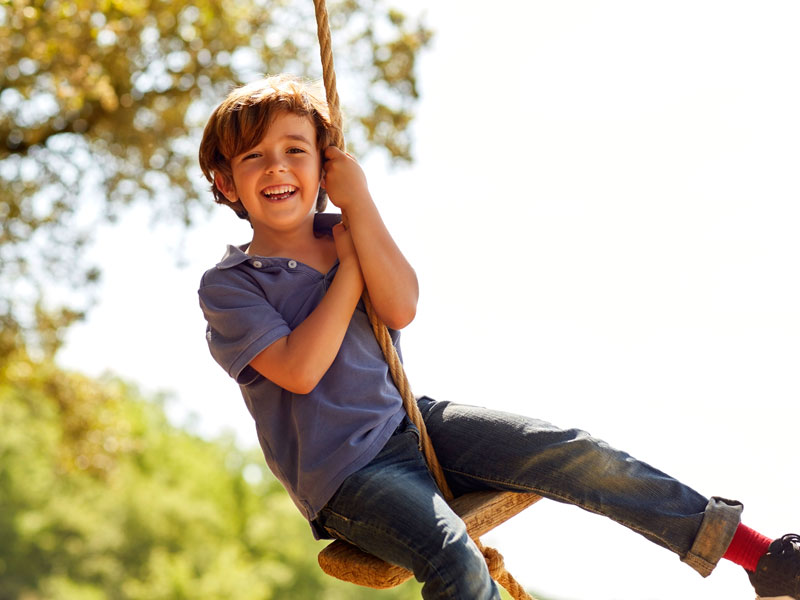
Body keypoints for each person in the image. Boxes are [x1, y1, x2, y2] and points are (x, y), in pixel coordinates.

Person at [197, 74, 799, 599]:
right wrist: (350, 267)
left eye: (295, 150)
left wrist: (362, 208)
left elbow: (401, 306)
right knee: (450, 554)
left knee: (574, 450)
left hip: (412, 425)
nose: (276, 166)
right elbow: (301, 369)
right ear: (225, 182)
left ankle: (758, 557)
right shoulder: (229, 285)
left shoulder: (348, 227)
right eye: (253, 157)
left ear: (324, 167)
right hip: (346, 475)